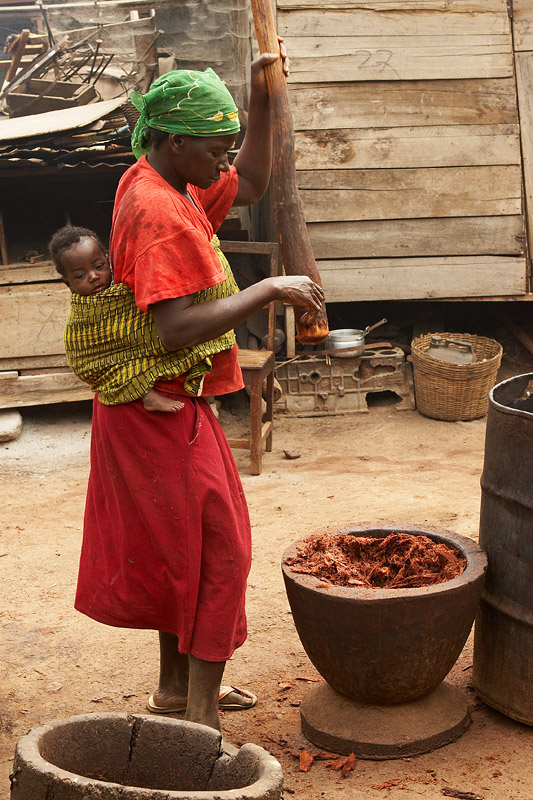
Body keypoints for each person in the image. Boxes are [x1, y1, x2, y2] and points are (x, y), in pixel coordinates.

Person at [74, 47, 324, 732]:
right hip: (159, 407)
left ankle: (172, 691)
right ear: (175, 139)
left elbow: (248, 183)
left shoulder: (168, 181)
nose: (223, 162)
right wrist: (268, 287)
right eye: (215, 149)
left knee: (176, 552)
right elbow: (177, 325)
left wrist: (261, 91)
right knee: (219, 552)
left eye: (226, 147)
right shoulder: (157, 212)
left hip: (167, 407)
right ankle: (200, 722)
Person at [50, 225, 185, 414]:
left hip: (142, 356)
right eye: (80, 275)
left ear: (108, 260)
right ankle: (145, 393)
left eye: (99, 266)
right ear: (68, 284)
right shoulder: (84, 314)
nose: (93, 276)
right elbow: (83, 360)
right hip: (109, 366)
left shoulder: (123, 289)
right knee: (118, 371)